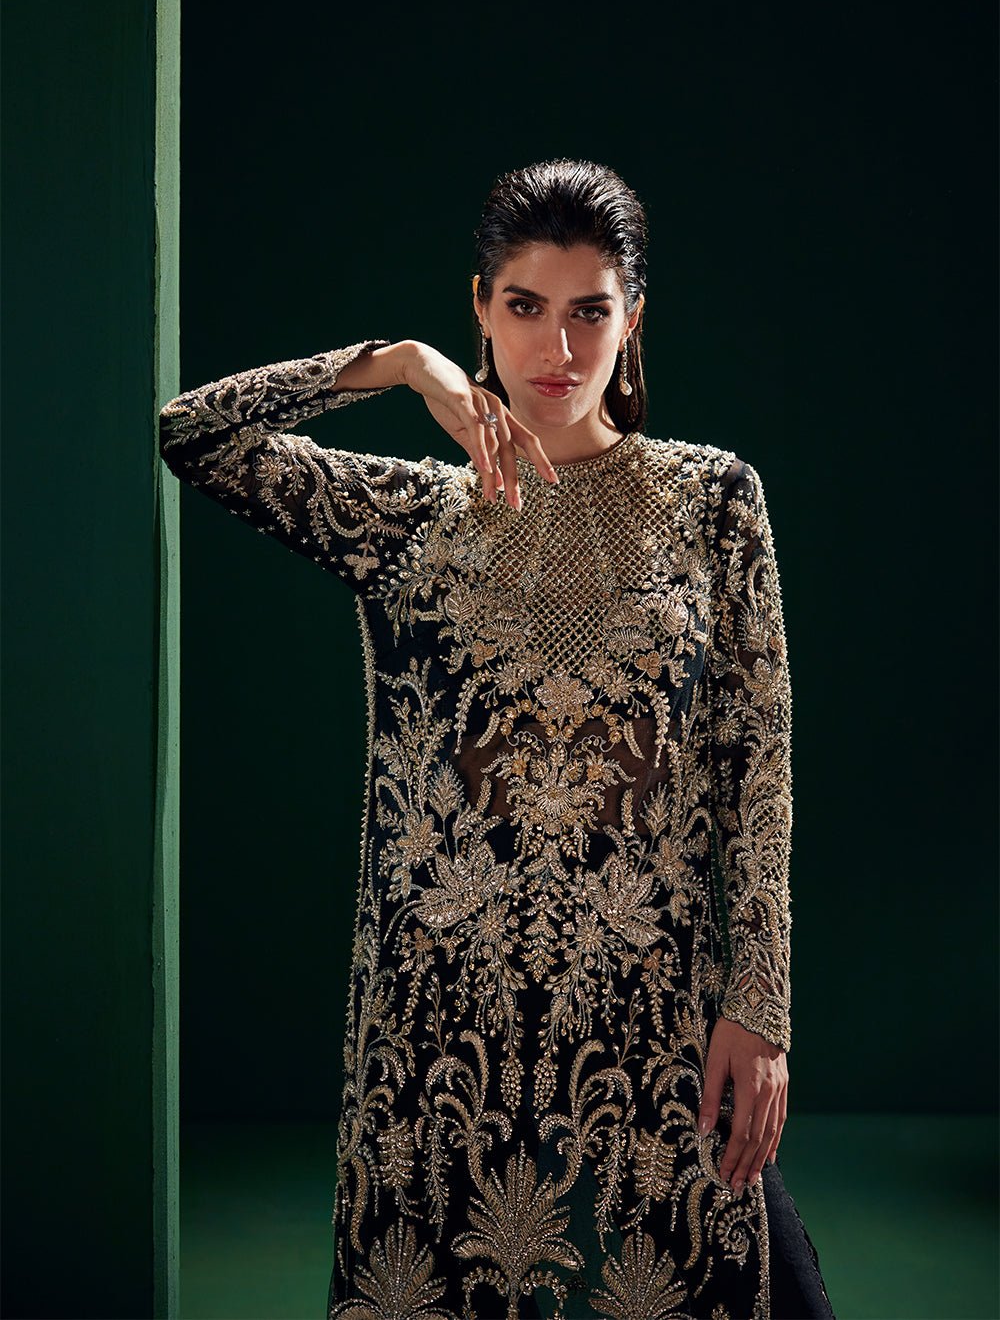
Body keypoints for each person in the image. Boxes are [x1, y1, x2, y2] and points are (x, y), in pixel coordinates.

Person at [159, 157, 836, 1320]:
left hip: (651, 999)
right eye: (523, 305)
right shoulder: (406, 515)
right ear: (479, 306)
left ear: (633, 320)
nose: (556, 348)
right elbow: (193, 431)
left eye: (590, 311)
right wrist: (401, 365)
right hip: (443, 1025)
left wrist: (759, 1003)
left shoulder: (713, 501)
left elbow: (755, 765)